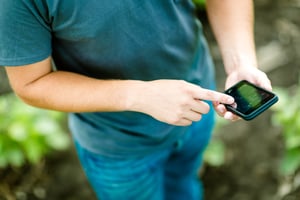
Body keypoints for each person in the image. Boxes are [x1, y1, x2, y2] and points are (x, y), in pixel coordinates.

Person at [0, 0, 272, 199]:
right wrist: (140, 95)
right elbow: (31, 84)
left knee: (184, 185)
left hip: (200, 105)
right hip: (118, 143)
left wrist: (240, 62)